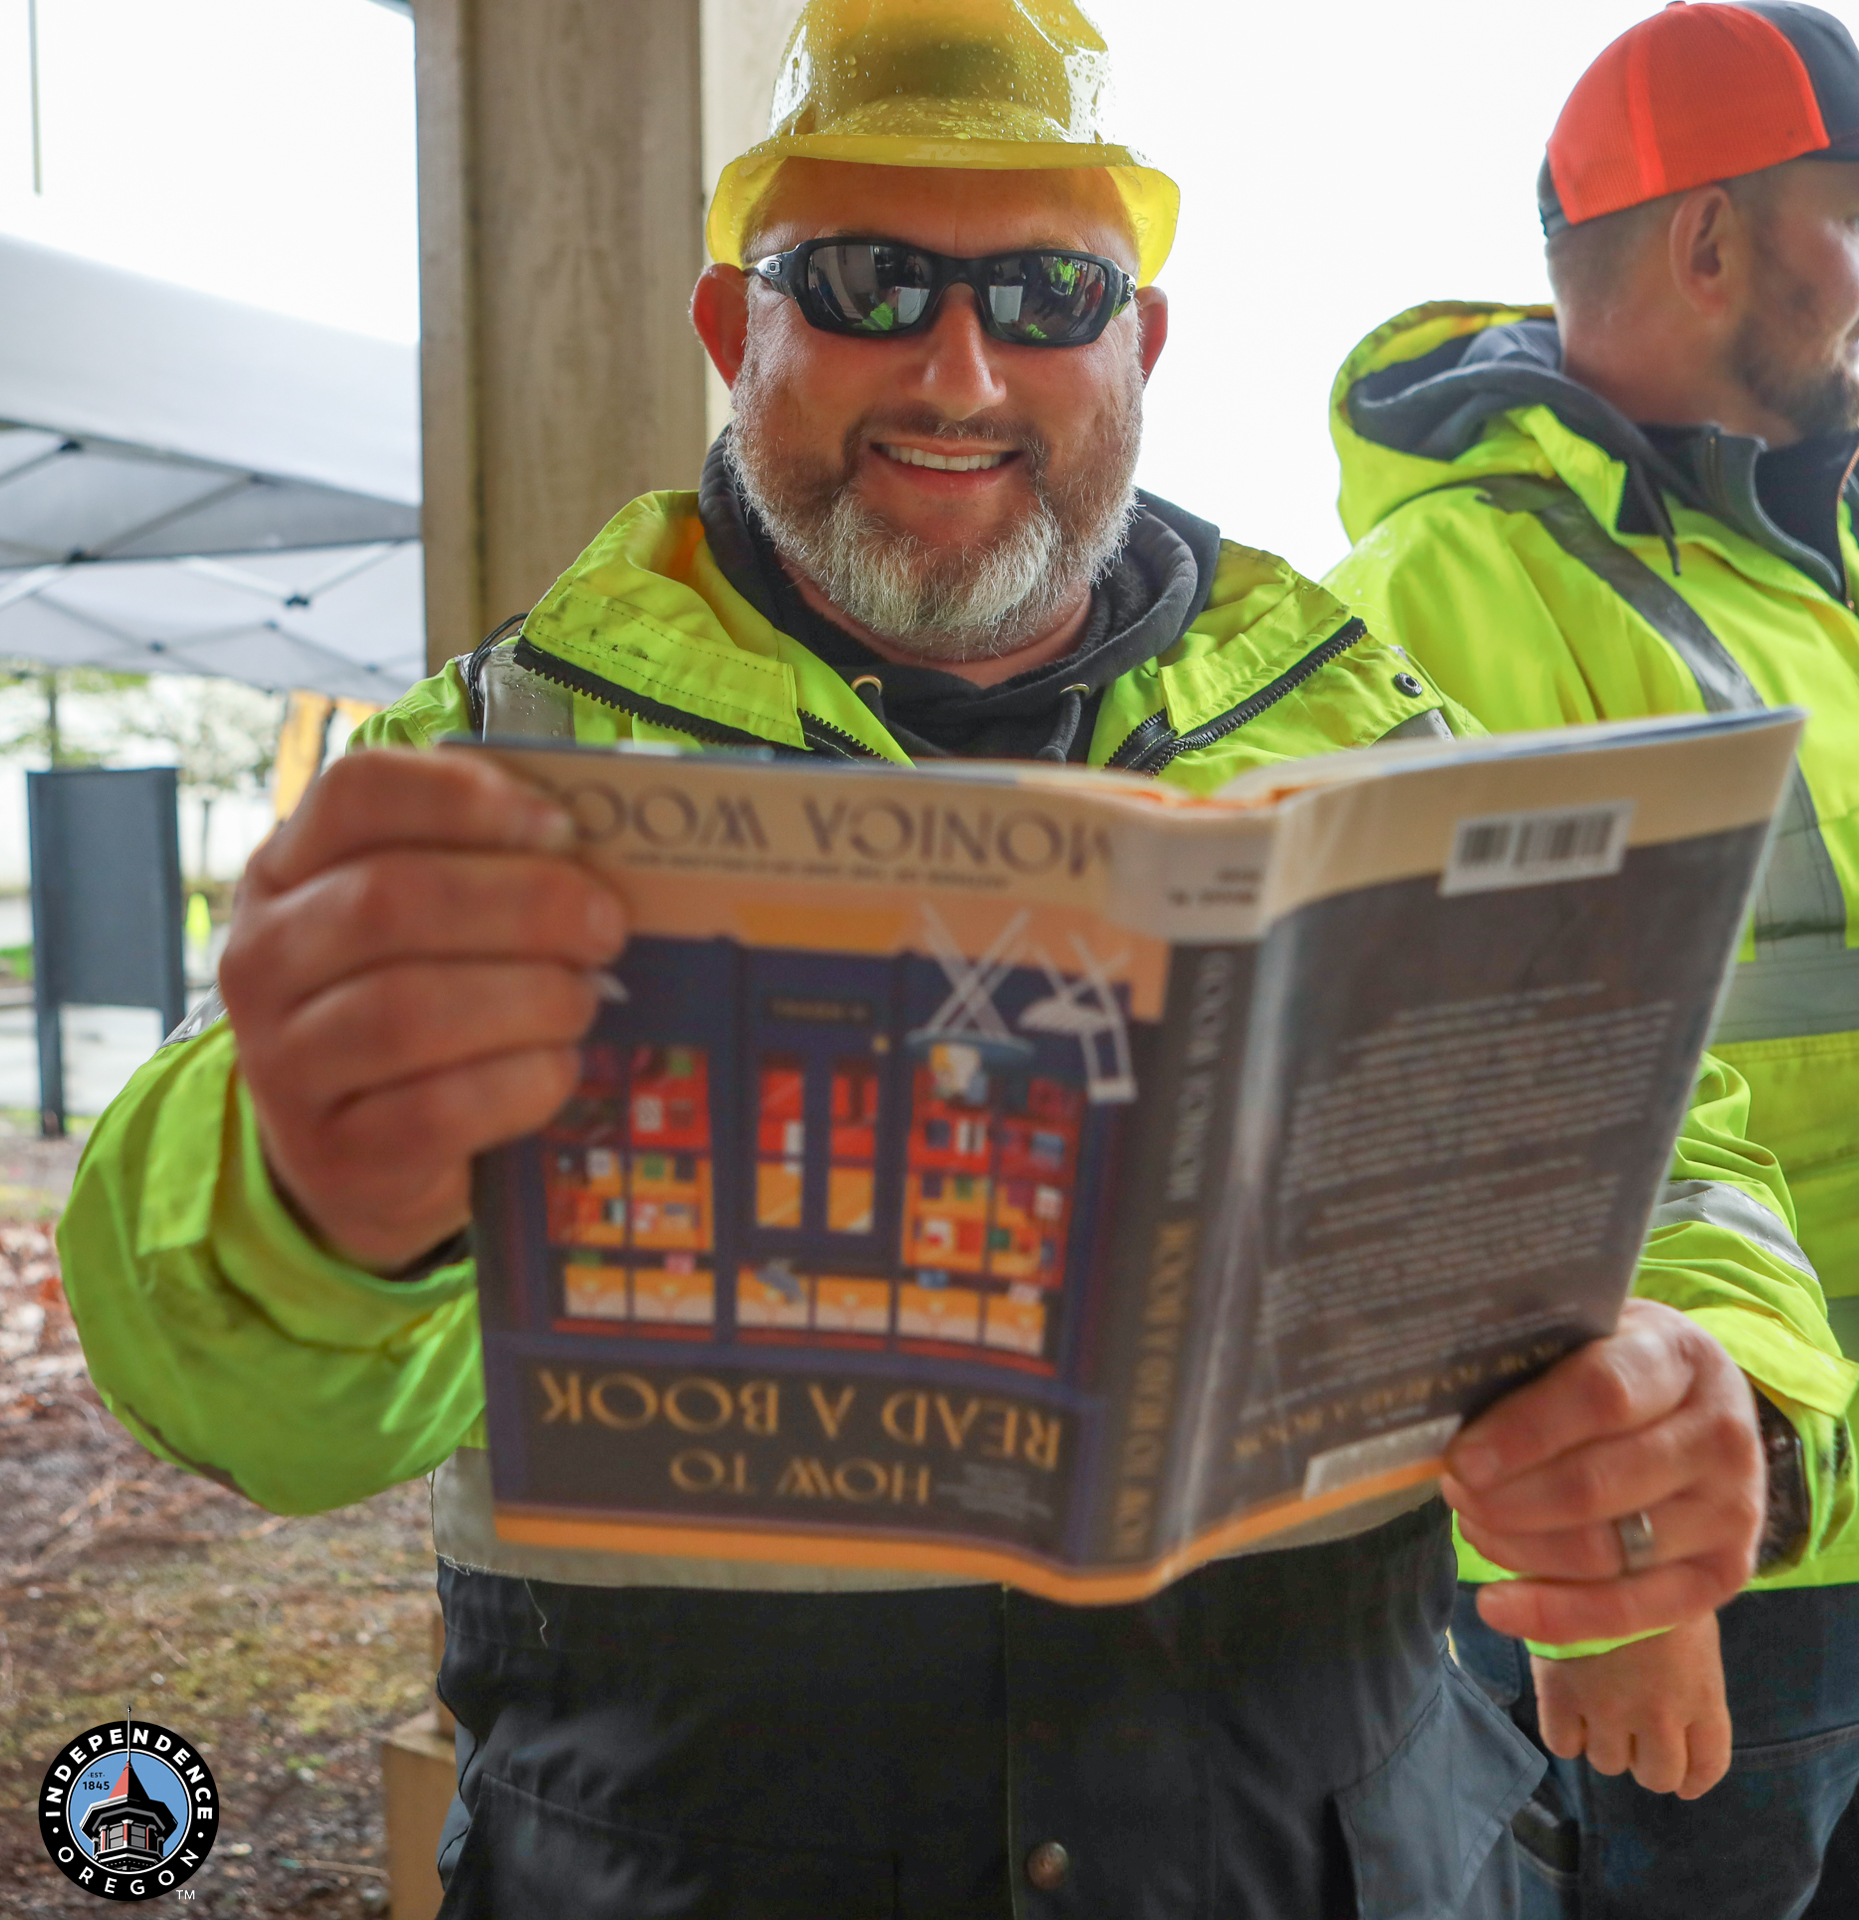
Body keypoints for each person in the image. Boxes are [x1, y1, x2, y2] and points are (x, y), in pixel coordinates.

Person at [57, 2, 1821, 1913]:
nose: (963, 368)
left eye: (1051, 291)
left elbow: (1677, 1165)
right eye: (870, 281)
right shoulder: (487, 768)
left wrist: (1715, 1379)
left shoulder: (1382, 744)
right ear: (740, 335)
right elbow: (214, 1388)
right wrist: (311, 1206)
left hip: (1329, 1851)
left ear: (1141, 349)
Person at [1325, 4, 1859, 1916]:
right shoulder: (1460, 585)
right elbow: (1470, 1112)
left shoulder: (1812, 572)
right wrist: (1624, 1564)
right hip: (1717, 1584)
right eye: (1849, 223)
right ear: (1712, 239)